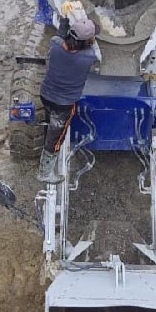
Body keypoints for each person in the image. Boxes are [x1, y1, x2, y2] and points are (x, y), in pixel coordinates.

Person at [37, 10, 99, 183]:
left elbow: (60, 35)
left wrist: (65, 19)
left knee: (51, 121)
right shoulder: (88, 57)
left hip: (46, 94)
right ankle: (45, 173)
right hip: (64, 105)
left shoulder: (55, 45)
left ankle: (49, 132)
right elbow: (92, 49)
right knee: (56, 139)